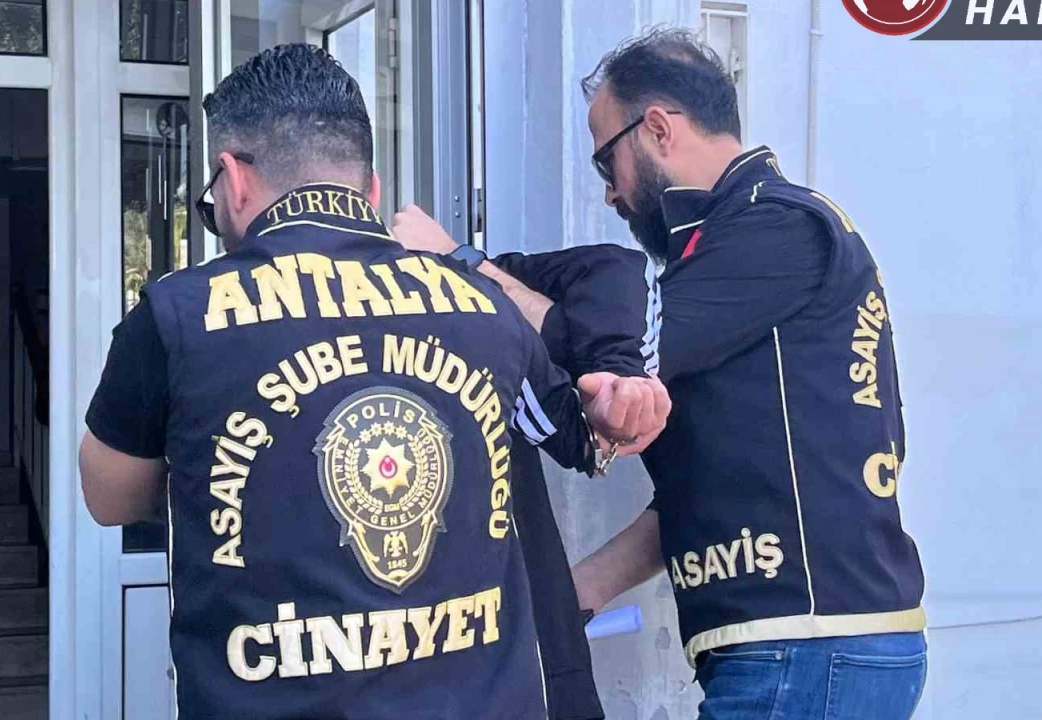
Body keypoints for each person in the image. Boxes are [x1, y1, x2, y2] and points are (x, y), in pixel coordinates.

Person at [78, 44, 668, 720]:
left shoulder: (177, 314)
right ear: (373, 189)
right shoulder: (482, 305)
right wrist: (621, 395)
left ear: (233, 179)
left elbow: (110, 496)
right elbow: (586, 427)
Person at [397, 28, 929, 720]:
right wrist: (572, 593)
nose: (610, 194)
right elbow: (706, 492)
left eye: (605, 161)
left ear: (656, 128)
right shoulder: (736, 244)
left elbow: (616, 356)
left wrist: (461, 267)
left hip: (808, 647)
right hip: (806, 648)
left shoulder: (776, 227)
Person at [391, 207, 663, 720]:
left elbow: (614, 272)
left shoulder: (466, 306)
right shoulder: (252, 328)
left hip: (517, 659)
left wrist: (460, 262)